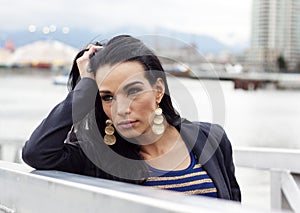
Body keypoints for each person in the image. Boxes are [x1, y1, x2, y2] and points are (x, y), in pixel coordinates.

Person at [22, 35, 241, 201]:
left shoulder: (211, 138)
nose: (122, 109)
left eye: (133, 91)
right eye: (107, 97)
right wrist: (86, 85)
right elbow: (37, 152)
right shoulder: (98, 157)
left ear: (158, 90)